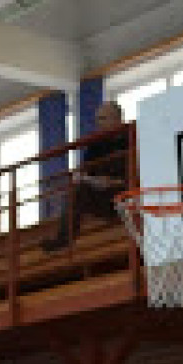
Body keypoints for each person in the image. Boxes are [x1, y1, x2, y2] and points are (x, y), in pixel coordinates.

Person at [42, 100, 129, 252]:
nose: (99, 123)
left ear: (117, 118)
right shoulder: (96, 144)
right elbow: (84, 172)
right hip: (104, 197)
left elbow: (140, 171)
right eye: (97, 119)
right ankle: (64, 240)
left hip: (127, 194)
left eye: (103, 118)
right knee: (77, 191)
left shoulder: (131, 137)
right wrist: (89, 179)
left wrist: (116, 182)